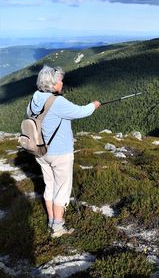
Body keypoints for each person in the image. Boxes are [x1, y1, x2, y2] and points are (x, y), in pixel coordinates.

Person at [27, 65, 100, 238]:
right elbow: (80, 112)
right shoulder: (57, 101)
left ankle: (52, 221)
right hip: (60, 153)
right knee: (62, 189)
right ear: (52, 83)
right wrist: (94, 105)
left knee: (50, 185)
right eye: (59, 80)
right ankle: (58, 229)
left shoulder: (34, 99)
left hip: (40, 152)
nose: (62, 82)